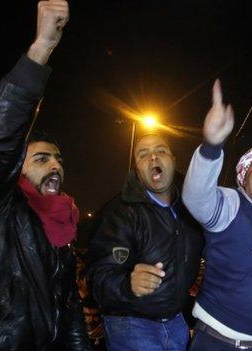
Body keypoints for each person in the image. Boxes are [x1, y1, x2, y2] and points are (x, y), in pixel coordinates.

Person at [0, 2, 91, 350]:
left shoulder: (62, 227)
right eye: (41, 159)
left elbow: (68, 307)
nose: (55, 165)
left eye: (57, 159)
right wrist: (40, 49)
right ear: (17, 170)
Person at [182, 81, 252, 350]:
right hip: (220, 341)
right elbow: (197, 197)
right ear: (244, 179)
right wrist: (211, 145)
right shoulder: (232, 203)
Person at [86, 132, 203, 351]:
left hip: (176, 321)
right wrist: (127, 284)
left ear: (174, 160)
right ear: (137, 170)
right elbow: (97, 277)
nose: (153, 158)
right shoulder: (119, 212)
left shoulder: (193, 207)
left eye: (161, 151)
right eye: (143, 154)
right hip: (130, 324)